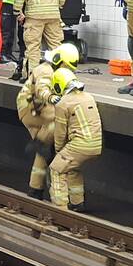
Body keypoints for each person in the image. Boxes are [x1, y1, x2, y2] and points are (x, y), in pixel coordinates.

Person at [16, 43, 79, 200]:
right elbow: (42, 90)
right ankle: (40, 141)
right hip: (31, 109)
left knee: (44, 151)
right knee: (56, 121)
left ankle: (35, 188)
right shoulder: (45, 70)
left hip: (40, 108)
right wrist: (51, 97)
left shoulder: (58, 70)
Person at [49, 67, 102, 212]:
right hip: (96, 144)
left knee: (57, 168)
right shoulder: (88, 97)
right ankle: (77, 203)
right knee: (73, 168)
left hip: (80, 145)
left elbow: (60, 134)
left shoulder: (63, 103)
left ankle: (60, 208)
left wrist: (58, 151)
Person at [1, 0, 27, 81]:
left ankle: (9, 52)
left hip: (15, 1)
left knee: (13, 29)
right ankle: (4, 53)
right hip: (6, 0)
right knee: (6, 29)